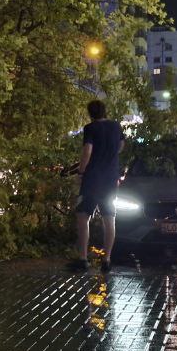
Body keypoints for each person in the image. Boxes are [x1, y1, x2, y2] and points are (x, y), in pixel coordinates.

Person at [70, 100, 124, 273]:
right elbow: (121, 145)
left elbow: (87, 151)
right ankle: (106, 259)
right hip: (111, 178)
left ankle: (83, 258)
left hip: (93, 179)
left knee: (82, 216)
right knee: (109, 218)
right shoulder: (116, 126)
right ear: (105, 111)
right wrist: (111, 154)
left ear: (90, 113)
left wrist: (80, 172)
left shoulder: (90, 128)